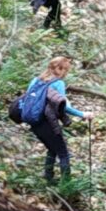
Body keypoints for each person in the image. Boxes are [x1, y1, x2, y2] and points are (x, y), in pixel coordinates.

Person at [15, 56, 85, 184]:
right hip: (47, 123)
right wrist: (83, 114)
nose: (66, 73)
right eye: (66, 70)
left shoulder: (35, 80)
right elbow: (65, 107)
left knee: (52, 149)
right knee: (63, 153)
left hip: (33, 122)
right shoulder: (58, 83)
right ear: (60, 69)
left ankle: (48, 178)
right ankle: (66, 186)